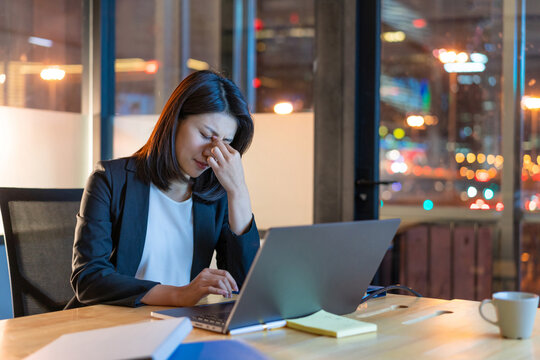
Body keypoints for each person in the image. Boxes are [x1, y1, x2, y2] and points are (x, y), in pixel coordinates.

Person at [67, 70, 260, 308]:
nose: (212, 151)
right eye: (205, 135)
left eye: (226, 143)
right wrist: (179, 295)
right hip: (110, 327)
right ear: (175, 121)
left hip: (178, 327)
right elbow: (89, 279)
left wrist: (238, 192)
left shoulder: (216, 194)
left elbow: (244, 284)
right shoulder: (111, 180)